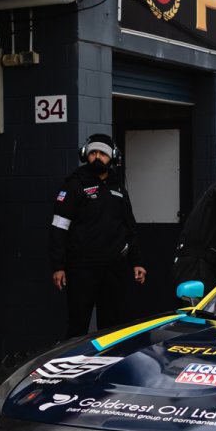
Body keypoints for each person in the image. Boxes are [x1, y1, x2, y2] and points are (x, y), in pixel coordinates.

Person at [50, 133, 146, 336]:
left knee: (111, 328)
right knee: (78, 325)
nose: (97, 157)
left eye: (102, 154)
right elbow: (58, 228)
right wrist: (58, 266)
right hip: (81, 268)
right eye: (93, 152)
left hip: (114, 268)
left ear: (112, 157)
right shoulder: (74, 185)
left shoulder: (118, 186)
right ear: (85, 154)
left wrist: (137, 261)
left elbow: (129, 226)